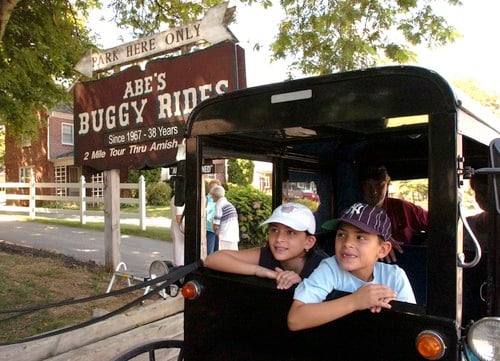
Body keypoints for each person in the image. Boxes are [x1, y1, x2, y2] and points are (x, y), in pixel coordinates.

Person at [288, 202, 416, 331]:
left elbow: (411, 325)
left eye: (360, 237)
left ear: (383, 249)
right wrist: (355, 301)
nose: (347, 243)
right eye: (341, 235)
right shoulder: (331, 268)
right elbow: (295, 319)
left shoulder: (394, 277)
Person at [204, 202, 329, 290]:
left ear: (309, 242)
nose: (279, 239)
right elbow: (212, 259)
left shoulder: (325, 267)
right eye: (274, 230)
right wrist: (260, 271)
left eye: (290, 232)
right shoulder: (267, 254)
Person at [359, 165, 428, 262]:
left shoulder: (402, 207)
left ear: (388, 183)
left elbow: (440, 223)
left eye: (379, 185)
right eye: (368, 186)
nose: (374, 192)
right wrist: (377, 240)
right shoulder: (354, 212)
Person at [210, 185, 240, 250]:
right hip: (233, 235)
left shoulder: (219, 204)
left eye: (212, 195)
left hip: (225, 236)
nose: (211, 197)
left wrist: (215, 229)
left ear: (215, 195)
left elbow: (216, 223)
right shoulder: (228, 204)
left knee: (225, 256)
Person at [170, 179, 185, 266]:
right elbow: (179, 216)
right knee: (179, 249)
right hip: (178, 225)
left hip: (176, 224)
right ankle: (179, 267)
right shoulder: (179, 199)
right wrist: (183, 229)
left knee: (178, 248)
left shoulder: (176, 197)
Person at [206, 179, 221, 255]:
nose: (213, 189)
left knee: (217, 250)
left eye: (215, 188)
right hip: (209, 228)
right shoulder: (206, 199)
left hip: (219, 228)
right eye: (212, 187)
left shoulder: (220, 199)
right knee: (209, 251)